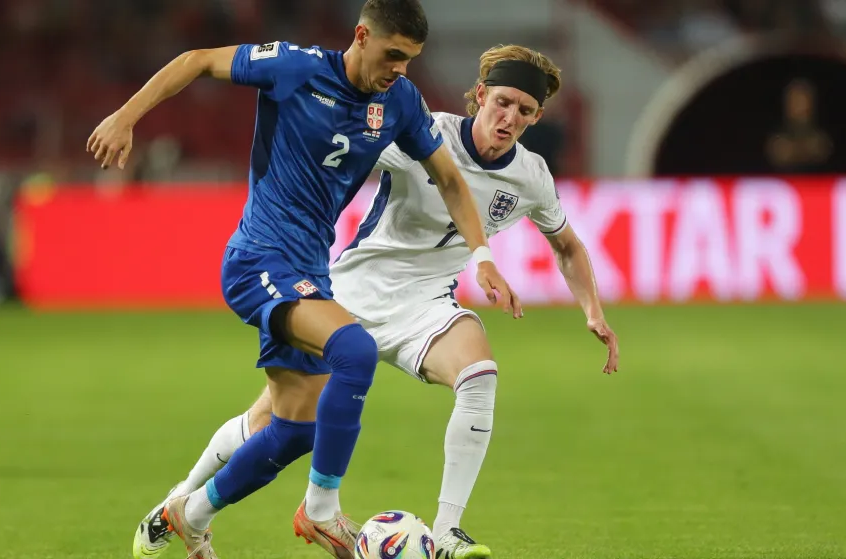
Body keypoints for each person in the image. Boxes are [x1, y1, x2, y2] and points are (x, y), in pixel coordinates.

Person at [132, 44, 618, 559]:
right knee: (274, 424)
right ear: (480, 96)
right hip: (348, 293)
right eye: (502, 102)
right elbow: (343, 142)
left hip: (425, 306)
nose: (509, 117)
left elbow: (567, 245)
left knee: (480, 377)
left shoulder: (531, 176)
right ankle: (175, 505)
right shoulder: (424, 131)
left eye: (524, 110)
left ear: (537, 117)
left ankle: (448, 532)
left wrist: (594, 311)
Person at [88, 1, 521, 558]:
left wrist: (482, 253)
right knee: (356, 352)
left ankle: (189, 513)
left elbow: (451, 182)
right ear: (361, 36)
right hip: (259, 258)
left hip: (312, 271)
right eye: (392, 55)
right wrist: (126, 117)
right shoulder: (295, 68)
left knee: (294, 429)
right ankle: (322, 510)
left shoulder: (401, 102)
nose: (400, 69)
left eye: (411, 60)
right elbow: (196, 60)